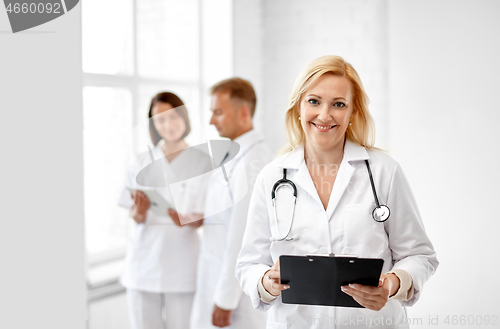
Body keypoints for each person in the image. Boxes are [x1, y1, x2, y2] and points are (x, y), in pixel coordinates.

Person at [235, 55, 439, 328]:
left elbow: (420, 255)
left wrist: (391, 284)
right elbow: (248, 264)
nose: (324, 115)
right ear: (298, 106)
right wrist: (265, 282)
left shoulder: (383, 172)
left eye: (338, 104)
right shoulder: (271, 178)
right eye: (314, 101)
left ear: (353, 112)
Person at [119, 92, 212, 329]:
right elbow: (135, 216)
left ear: (184, 116)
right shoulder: (141, 161)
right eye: (159, 120)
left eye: (173, 117)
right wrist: (139, 212)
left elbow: (205, 216)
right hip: (143, 263)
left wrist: (188, 220)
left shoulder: (202, 161)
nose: (167, 125)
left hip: (182, 264)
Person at [190, 78, 272, 329]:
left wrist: (225, 299)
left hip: (235, 299)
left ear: (243, 113)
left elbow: (242, 239)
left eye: (218, 112)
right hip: (214, 277)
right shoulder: (234, 154)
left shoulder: (253, 163)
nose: (211, 120)